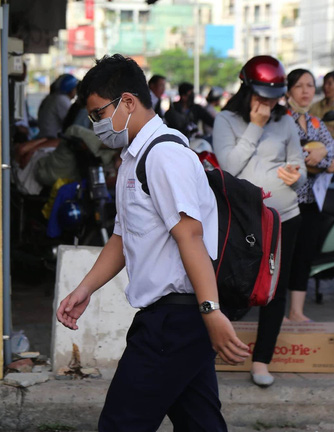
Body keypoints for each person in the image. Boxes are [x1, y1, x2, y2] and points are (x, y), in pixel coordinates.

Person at [56, 54, 249, 431]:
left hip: (174, 319)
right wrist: (85, 289)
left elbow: (189, 235)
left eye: (98, 113)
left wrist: (211, 312)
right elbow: (123, 236)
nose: (95, 124)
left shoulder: (163, 156)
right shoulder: (134, 156)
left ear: (128, 102)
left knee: (121, 424)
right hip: (172, 319)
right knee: (201, 423)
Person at [212, 55, 306, 387]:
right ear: (246, 88)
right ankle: (213, 349)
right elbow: (229, 166)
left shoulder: (286, 121)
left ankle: (262, 360)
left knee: (275, 289)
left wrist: (296, 172)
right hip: (243, 219)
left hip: (285, 217)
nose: (270, 102)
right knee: (229, 281)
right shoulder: (226, 120)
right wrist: (256, 126)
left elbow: (299, 160)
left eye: (275, 96)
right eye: (262, 95)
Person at [285, 69, 334, 323]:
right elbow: (291, 156)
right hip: (286, 202)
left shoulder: (315, 122)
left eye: (310, 85)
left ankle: (296, 312)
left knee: (304, 255)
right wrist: (317, 159)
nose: (306, 91)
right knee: (283, 257)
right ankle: (275, 312)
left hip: (310, 201)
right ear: (288, 91)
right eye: (299, 86)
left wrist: (322, 158)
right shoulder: (281, 120)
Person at [37, 73, 78, 139]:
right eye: (75, 88)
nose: (76, 91)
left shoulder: (50, 97)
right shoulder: (61, 99)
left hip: (43, 136)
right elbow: (70, 124)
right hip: (51, 138)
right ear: (70, 88)